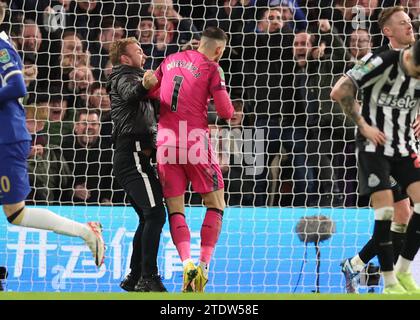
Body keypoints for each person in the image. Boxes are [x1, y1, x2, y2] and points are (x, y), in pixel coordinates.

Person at [0, 5, 105, 275]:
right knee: (16, 214)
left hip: (7, 137)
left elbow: (17, 86)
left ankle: (86, 232)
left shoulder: (1, 45)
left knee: (16, 213)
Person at [330, 33, 420, 293]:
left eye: (409, 22)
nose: (409, 27)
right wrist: (366, 124)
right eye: (403, 22)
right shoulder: (376, 59)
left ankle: (356, 264)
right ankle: (389, 278)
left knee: (404, 217)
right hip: (378, 148)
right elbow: (344, 90)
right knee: (400, 213)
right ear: (389, 30)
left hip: (406, 147)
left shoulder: (414, 58)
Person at [150, 26, 234, 293]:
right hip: (193, 140)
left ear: (199, 43)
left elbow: (152, 91)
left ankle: (186, 263)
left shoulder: (169, 60)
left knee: (176, 210)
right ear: (218, 50)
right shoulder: (212, 68)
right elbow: (226, 111)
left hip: (164, 143)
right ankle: (203, 267)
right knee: (216, 202)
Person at [106, 37, 167, 292]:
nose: (143, 54)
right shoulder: (123, 76)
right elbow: (133, 93)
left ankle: (134, 276)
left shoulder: (137, 76)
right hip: (131, 154)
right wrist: (144, 83)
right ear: (124, 58)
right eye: (138, 50)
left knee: (147, 216)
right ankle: (148, 277)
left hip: (136, 156)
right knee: (155, 214)